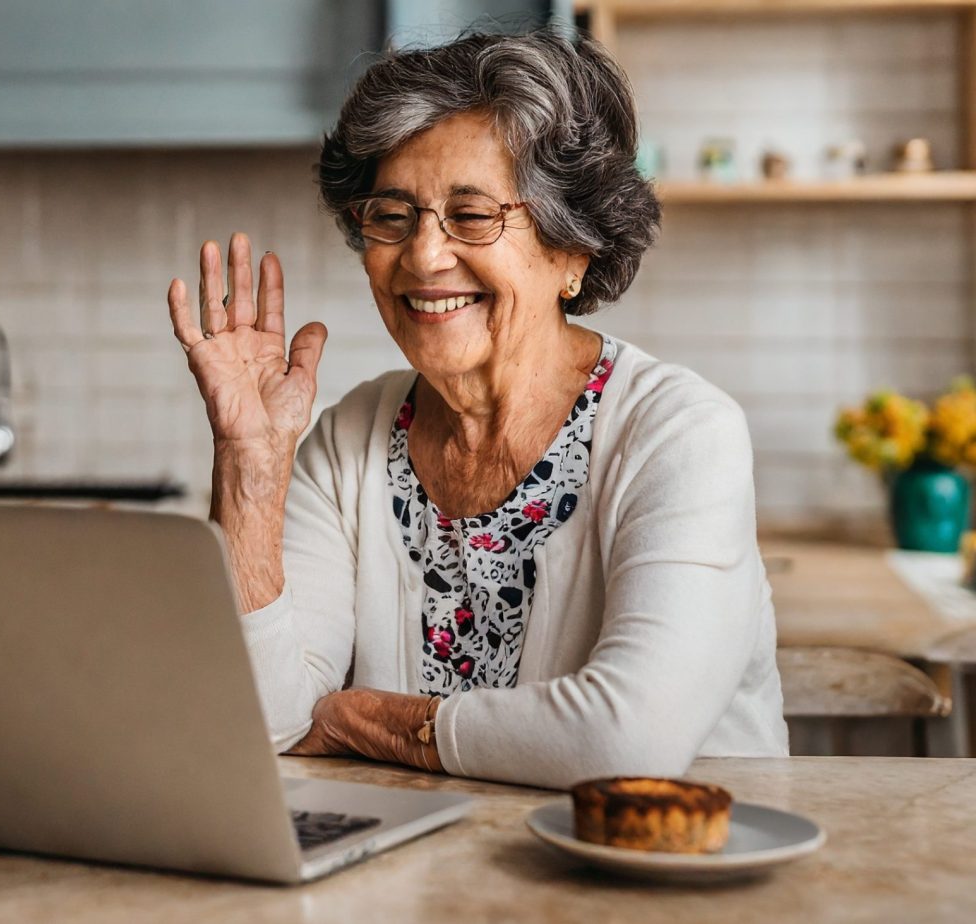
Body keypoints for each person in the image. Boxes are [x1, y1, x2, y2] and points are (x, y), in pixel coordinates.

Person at [166, 29, 788, 790]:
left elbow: (627, 740)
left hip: (661, 882)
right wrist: (249, 469)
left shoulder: (679, 434)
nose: (424, 256)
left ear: (572, 250)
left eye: (472, 216)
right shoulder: (348, 443)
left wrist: (370, 721)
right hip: (434, 885)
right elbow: (258, 718)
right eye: (392, 215)